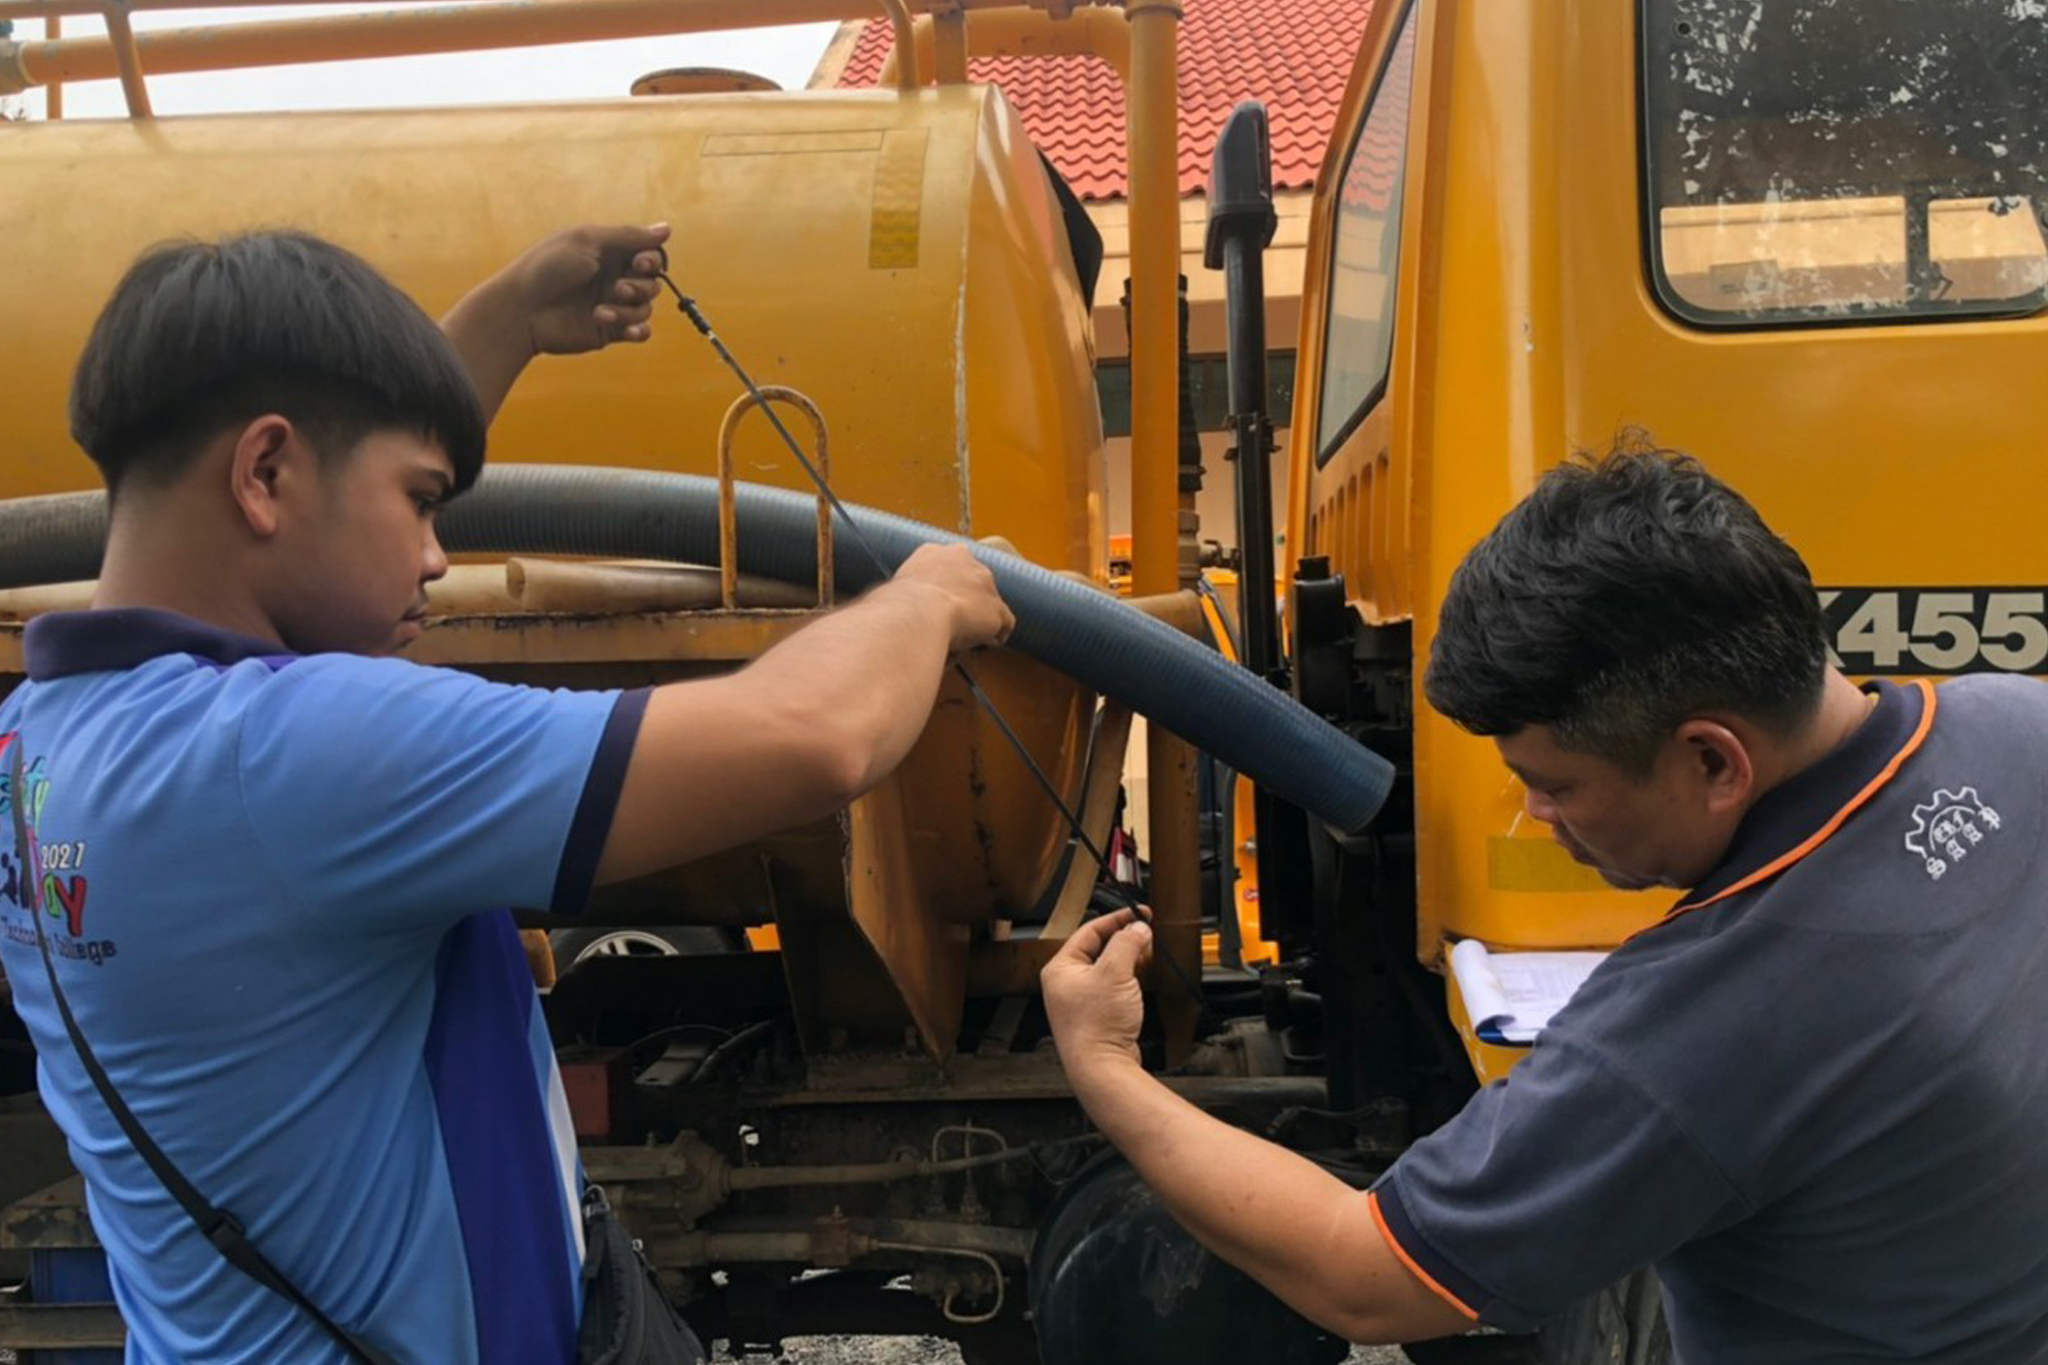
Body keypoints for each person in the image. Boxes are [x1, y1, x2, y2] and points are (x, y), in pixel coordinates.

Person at [0, 226, 1012, 1365]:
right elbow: (811, 737)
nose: (437, 557)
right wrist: (925, 599)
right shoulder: (288, 750)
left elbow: (331, 479)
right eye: (423, 502)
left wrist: (504, 323)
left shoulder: (43, 741)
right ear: (264, 474)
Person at [1042, 443, 2048, 1361]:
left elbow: (1365, 1277)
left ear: (1709, 759)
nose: (1534, 815)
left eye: (1555, 784)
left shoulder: (1712, 1018)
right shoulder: (2015, 724)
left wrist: (1103, 1067)